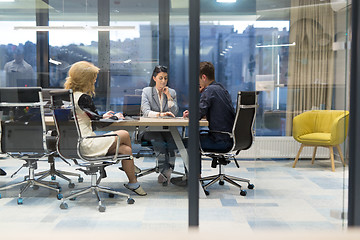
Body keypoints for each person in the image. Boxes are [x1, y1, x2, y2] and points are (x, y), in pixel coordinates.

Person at [64, 61, 146, 196]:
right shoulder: (84, 97)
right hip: (87, 143)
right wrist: (116, 117)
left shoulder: (70, 95)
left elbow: (92, 119)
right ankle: (132, 165)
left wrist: (102, 116)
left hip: (78, 142)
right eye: (93, 77)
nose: (95, 80)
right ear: (86, 79)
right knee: (124, 134)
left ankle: (133, 183)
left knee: (125, 150)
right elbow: (99, 123)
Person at [171, 61, 235, 186]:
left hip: (220, 140)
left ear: (204, 77)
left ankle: (193, 179)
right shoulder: (221, 88)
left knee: (188, 142)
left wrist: (192, 112)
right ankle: (195, 176)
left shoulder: (210, 90)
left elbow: (197, 114)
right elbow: (217, 110)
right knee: (194, 139)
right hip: (228, 137)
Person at [140, 65, 179, 185]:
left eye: (165, 78)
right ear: (154, 78)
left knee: (172, 144)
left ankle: (168, 170)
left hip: (167, 129)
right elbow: (145, 112)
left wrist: (168, 97)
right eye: (160, 78)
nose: (163, 81)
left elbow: (175, 112)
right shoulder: (147, 91)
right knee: (161, 144)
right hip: (151, 129)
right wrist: (160, 114)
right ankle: (164, 172)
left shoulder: (171, 92)